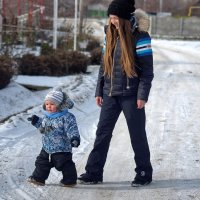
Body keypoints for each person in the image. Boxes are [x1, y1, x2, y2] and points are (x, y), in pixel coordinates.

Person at [78, 0, 154, 187]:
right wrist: (99, 91)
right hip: (110, 93)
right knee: (102, 133)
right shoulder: (109, 35)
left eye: (116, 18)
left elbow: (147, 71)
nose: (112, 21)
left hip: (131, 95)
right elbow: (104, 66)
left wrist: (142, 95)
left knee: (137, 134)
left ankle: (144, 173)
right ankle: (93, 172)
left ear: (126, 18)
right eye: (111, 17)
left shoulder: (141, 37)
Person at [27, 88, 80, 187]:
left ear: (59, 105)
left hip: (62, 148)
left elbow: (72, 128)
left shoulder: (67, 117)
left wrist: (74, 138)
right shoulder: (47, 116)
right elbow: (44, 129)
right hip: (47, 147)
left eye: (52, 104)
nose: (49, 107)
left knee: (64, 164)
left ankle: (70, 180)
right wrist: (36, 121)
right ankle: (38, 178)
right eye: (47, 104)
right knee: (41, 162)